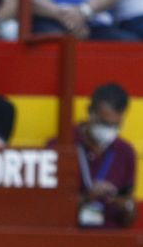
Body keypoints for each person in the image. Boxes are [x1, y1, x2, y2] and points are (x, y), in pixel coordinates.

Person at [58, 82, 137, 227]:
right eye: (104, 123)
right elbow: (49, 209)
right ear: (90, 112)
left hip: (111, 239)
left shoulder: (125, 152)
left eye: (115, 125)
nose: (109, 130)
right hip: (70, 238)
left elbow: (129, 218)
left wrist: (125, 206)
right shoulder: (62, 146)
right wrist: (88, 198)